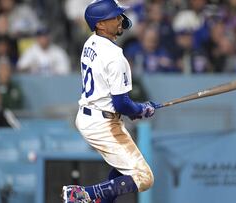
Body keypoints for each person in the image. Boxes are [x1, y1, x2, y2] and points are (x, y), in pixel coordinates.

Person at [61, 1, 159, 202]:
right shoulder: (115, 56)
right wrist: (141, 109)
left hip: (90, 115)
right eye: (114, 17)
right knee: (144, 177)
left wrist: (139, 110)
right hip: (103, 123)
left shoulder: (91, 42)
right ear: (100, 25)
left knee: (124, 170)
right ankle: (82, 195)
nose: (120, 19)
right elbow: (121, 104)